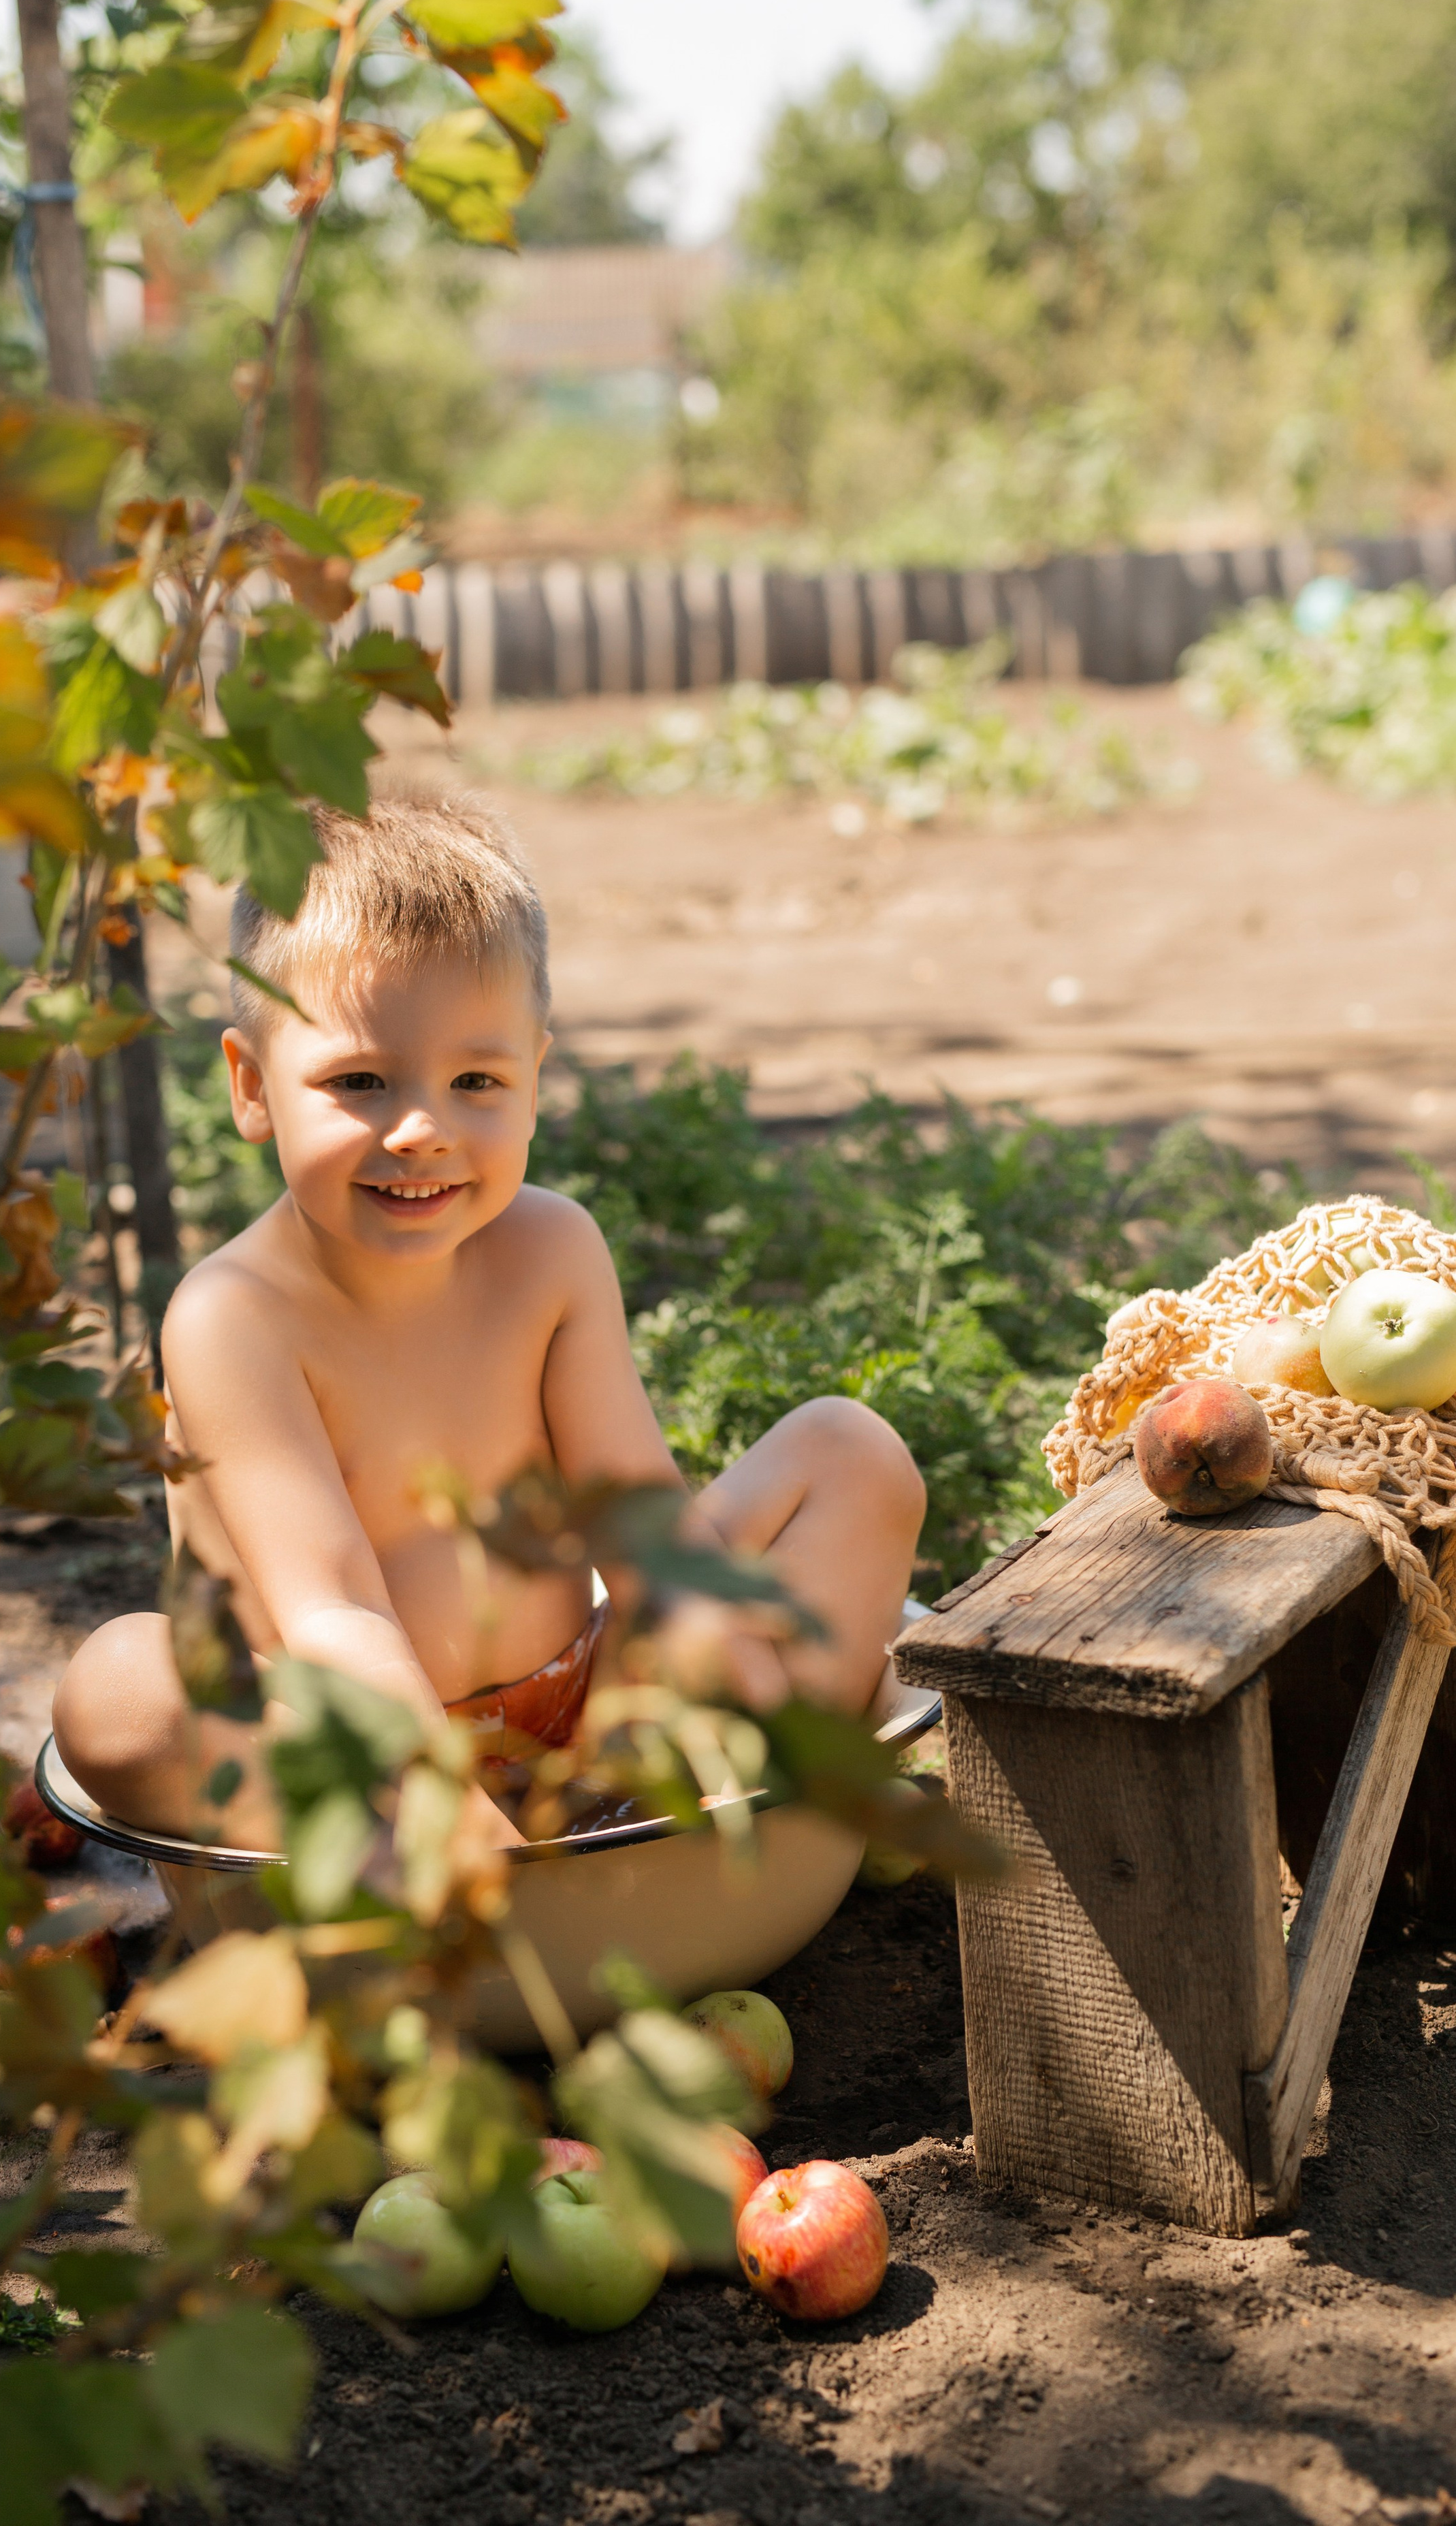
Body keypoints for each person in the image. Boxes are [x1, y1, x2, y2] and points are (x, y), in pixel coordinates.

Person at [52, 791, 926, 1849]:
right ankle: (462, 1881)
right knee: (119, 1693)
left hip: (578, 1719)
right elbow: (333, 1611)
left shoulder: (549, 1252)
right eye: (359, 1081)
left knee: (849, 1453)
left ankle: (712, 1817)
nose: (423, 1129)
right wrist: (462, 1832)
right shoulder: (233, 1318)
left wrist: (730, 1669)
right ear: (253, 1087)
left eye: (477, 1080)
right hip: (354, 1748)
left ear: (533, 1080)